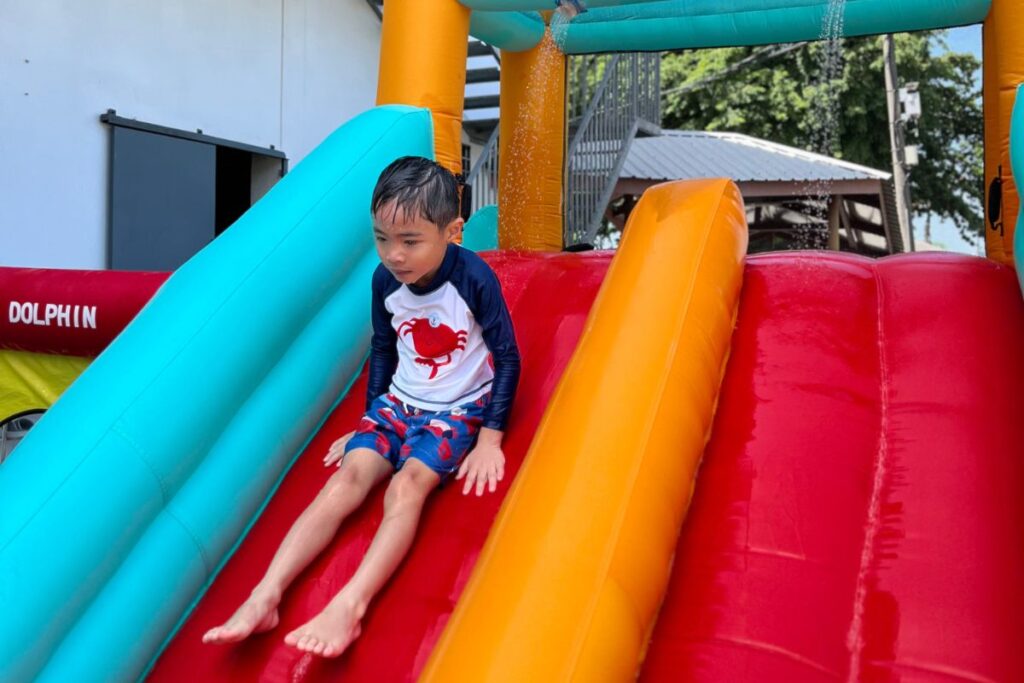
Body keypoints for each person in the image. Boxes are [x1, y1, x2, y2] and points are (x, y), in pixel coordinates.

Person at [202, 156, 520, 658]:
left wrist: (490, 437)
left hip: (456, 408)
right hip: (400, 402)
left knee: (407, 485)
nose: (394, 255)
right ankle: (267, 593)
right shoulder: (384, 281)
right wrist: (367, 422)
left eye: (410, 241)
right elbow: (384, 348)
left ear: (453, 232)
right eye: (382, 238)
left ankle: (350, 604)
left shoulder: (474, 279)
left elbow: (506, 354)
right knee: (348, 478)